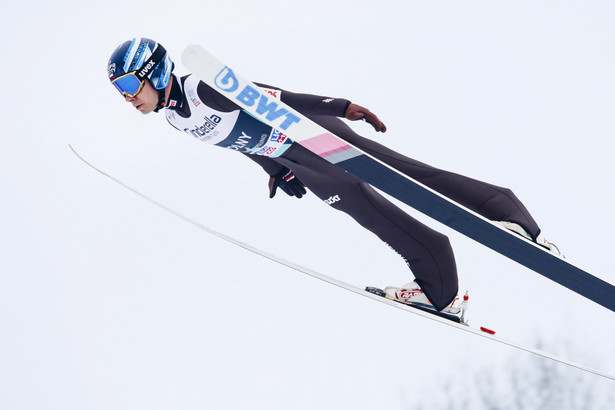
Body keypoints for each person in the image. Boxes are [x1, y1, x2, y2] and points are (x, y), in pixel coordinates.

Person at [107, 38, 552, 314]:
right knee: (367, 211)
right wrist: (275, 171)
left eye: (130, 86)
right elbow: (236, 141)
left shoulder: (204, 89)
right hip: (294, 159)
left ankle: (506, 213)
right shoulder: (175, 119)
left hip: (313, 135)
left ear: (156, 72)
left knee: (407, 175)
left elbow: (278, 98)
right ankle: (441, 288)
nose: (128, 99)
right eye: (119, 92)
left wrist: (340, 107)